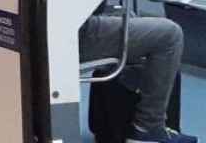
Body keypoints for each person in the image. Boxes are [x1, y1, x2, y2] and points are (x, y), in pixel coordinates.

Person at [80, 11, 194, 142]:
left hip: (61, 30)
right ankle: (148, 127)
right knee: (170, 35)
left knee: (125, 14)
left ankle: (109, 130)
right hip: (73, 34)